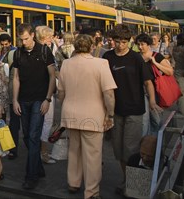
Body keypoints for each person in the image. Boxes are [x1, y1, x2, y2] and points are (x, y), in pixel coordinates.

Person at [58, 34, 117, 199]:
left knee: (74, 150)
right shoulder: (101, 64)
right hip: (93, 115)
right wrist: (110, 114)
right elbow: (109, 93)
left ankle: (73, 182)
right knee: (92, 155)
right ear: (92, 46)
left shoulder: (66, 64)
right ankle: (91, 191)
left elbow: (61, 93)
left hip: (70, 114)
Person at [103, 24, 160, 193]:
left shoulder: (136, 58)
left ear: (129, 41)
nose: (121, 45)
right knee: (118, 150)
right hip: (114, 111)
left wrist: (152, 102)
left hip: (134, 109)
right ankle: (127, 179)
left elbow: (148, 82)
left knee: (131, 148)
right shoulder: (107, 57)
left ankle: (135, 185)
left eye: (124, 42)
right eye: (118, 41)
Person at [12, 23, 56, 190]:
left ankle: (31, 176)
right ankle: (38, 167)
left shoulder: (44, 51)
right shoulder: (18, 53)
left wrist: (47, 99)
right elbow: (16, 78)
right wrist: (15, 100)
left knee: (32, 136)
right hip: (23, 100)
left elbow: (52, 76)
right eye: (21, 39)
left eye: (26, 39)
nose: (23, 42)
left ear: (32, 35)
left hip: (39, 99)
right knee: (27, 136)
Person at [137, 33, 174, 133]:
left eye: (142, 44)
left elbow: (170, 71)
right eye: (138, 44)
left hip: (156, 92)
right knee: (144, 122)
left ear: (148, 44)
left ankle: (157, 143)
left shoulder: (157, 56)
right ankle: (146, 144)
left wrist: (155, 63)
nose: (140, 47)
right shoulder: (136, 57)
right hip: (140, 92)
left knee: (157, 121)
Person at [34, 26, 59, 165]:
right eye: (49, 37)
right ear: (44, 37)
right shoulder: (46, 51)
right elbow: (53, 71)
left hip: (36, 91)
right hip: (46, 91)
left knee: (37, 122)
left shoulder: (34, 50)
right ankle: (43, 152)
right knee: (47, 122)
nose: (51, 39)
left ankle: (37, 151)